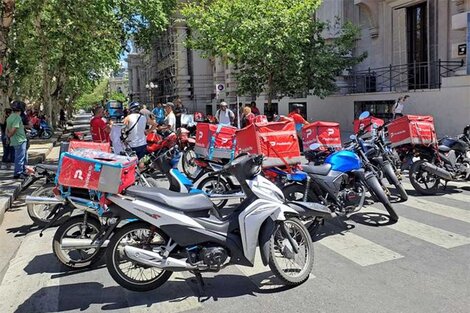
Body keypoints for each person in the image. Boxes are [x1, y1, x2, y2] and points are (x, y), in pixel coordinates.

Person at [6, 101, 28, 179]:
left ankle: (23, 171)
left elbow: (7, 129)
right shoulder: (17, 117)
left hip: (16, 140)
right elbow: (14, 128)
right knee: (20, 157)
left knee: (22, 156)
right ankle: (18, 173)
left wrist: (8, 137)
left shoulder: (9, 117)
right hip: (20, 140)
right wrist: (9, 136)